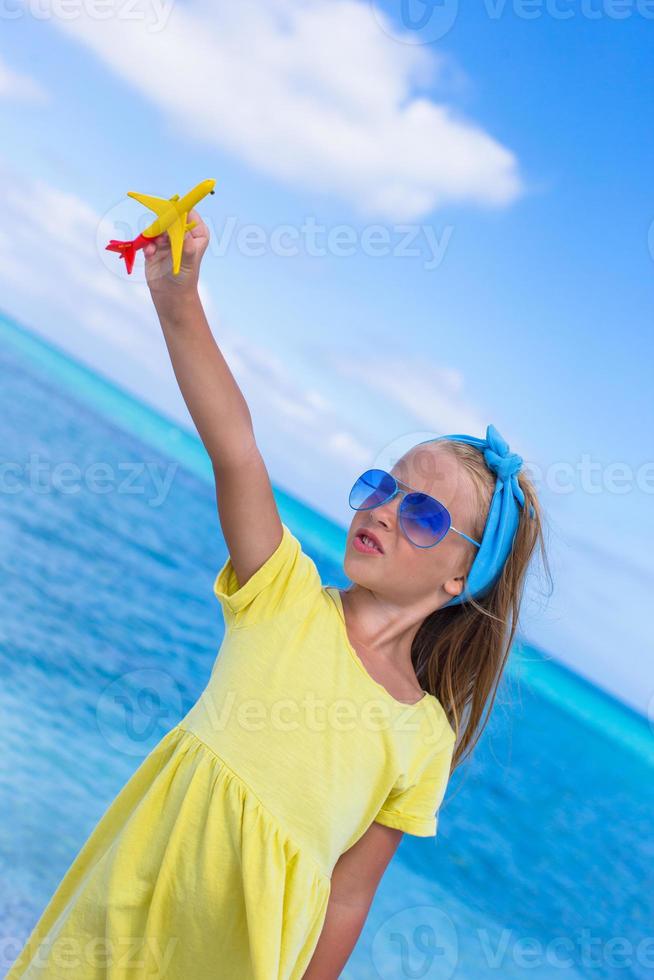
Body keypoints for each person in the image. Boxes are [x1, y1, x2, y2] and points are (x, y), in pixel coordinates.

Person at [7, 210, 550, 979]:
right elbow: (236, 448)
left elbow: (349, 897)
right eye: (382, 488)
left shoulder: (423, 737)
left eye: (423, 514)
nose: (385, 512)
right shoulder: (283, 593)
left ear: (460, 579)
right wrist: (178, 302)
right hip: (127, 912)